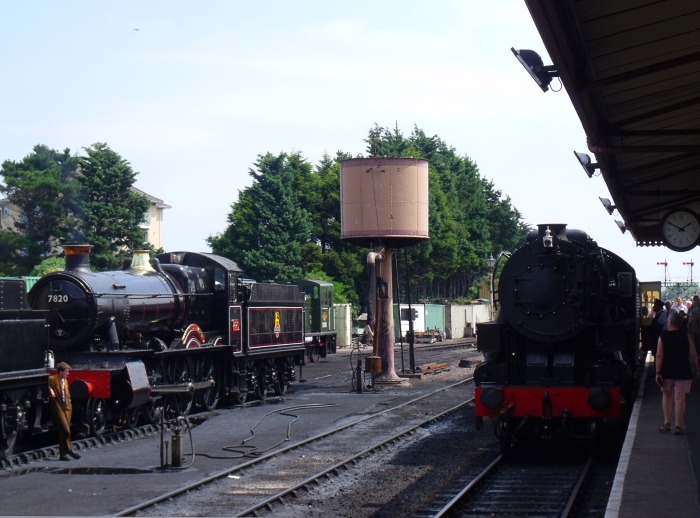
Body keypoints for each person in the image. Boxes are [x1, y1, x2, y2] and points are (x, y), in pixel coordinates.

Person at [655, 311, 699, 435]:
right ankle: (678, 426)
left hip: (667, 371)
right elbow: (694, 355)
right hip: (683, 371)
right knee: (680, 398)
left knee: (667, 396)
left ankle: (667, 423)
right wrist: (696, 369)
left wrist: (658, 372)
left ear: (669, 322)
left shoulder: (663, 336)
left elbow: (659, 356)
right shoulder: (686, 336)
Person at [48, 362, 81, 460]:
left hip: (67, 407)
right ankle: (69, 449)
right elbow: (46, 385)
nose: (68, 373)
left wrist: (69, 403)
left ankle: (62, 455)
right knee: (66, 430)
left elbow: (67, 393)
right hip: (58, 407)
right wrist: (50, 390)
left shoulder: (65, 380)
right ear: (60, 372)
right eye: (66, 372)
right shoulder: (52, 379)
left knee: (63, 431)